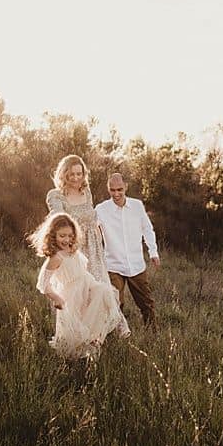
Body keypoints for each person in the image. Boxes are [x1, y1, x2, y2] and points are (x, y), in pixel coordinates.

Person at [30, 213, 129, 359]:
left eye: (70, 235)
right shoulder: (55, 258)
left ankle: (94, 342)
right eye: (62, 236)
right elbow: (43, 283)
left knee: (102, 296)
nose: (67, 239)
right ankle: (74, 359)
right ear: (52, 235)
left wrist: (93, 287)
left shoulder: (72, 250)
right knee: (76, 330)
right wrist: (56, 298)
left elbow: (82, 272)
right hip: (72, 296)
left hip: (87, 287)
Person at [95, 172, 161, 327]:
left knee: (146, 303)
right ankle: (115, 335)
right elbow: (90, 229)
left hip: (136, 264)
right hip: (113, 264)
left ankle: (153, 333)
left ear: (126, 187)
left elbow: (147, 229)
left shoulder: (137, 206)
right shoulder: (101, 209)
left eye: (119, 189)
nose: (116, 194)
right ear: (108, 189)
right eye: (112, 190)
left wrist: (153, 252)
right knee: (115, 302)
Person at [45, 154, 108, 282]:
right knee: (76, 288)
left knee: (97, 288)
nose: (75, 178)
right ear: (64, 174)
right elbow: (59, 222)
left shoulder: (86, 192)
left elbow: (93, 221)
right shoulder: (56, 195)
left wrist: (101, 245)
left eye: (79, 174)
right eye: (71, 174)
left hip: (94, 248)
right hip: (73, 247)